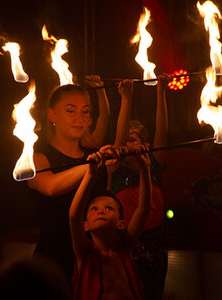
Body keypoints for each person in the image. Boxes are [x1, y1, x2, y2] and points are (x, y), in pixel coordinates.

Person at [27, 81, 109, 282]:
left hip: (91, 263)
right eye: (71, 111)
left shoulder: (96, 159)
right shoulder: (38, 158)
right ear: (52, 115)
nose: (79, 119)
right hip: (51, 264)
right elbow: (50, 186)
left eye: (85, 112)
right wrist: (92, 166)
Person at [108, 74, 170, 300]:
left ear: (144, 144)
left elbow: (161, 132)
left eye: (132, 139)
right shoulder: (115, 170)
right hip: (125, 244)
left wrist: (161, 92)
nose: (127, 143)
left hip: (156, 244)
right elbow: (118, 139)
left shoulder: (154, 165)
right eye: (126, 140)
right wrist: (126, 98)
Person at [69, 144, 151, 300]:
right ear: (85, 225)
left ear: (121, 223)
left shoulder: (125, 247)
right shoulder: (84, 252)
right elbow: (74, 216)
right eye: (94, 209)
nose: (101, 211)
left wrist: (145, 168)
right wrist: (91, 174)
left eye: (109, 208)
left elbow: (143, 210)